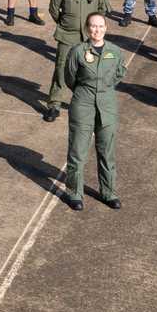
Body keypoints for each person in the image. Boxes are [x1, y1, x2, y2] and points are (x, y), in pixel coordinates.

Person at [60, 13, 124, 211]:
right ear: (88, 29)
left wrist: (103, 89)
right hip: (83, 105)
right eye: (93, 26)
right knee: (78, 151)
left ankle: (109, 192)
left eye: (101, 26)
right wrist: (85, 91)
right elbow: (69, 77)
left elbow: (119, 73)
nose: (97, 30)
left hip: (107, 105)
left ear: (106, 28)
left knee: (107, 151)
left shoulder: (115, 51)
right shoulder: (78, 51)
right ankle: (74, 192)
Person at [44, 0, 110, 121]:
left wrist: (95, 29)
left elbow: (102, 9)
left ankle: (87, 103)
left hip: (89, 38)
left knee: (89, 72)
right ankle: (54, 104)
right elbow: (53, 9)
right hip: (67, 36)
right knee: (61, 70)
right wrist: (65, 24)